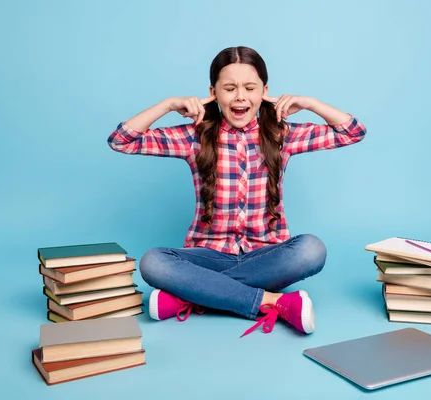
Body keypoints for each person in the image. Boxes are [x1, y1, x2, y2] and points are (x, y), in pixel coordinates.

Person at [107, 46, 367, 337]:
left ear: (264, 92)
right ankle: (272, 301)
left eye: (250, 87)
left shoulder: (283, 135)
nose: (240, 96)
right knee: (153, 262)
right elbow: (121, 141)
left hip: (267, 258)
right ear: (213, 93)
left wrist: (307, 103)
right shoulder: (194, 136)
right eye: (229, 88)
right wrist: (168, 105)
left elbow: (353, 132)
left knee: (312, 250)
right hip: (208, 255)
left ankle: (194, 295)